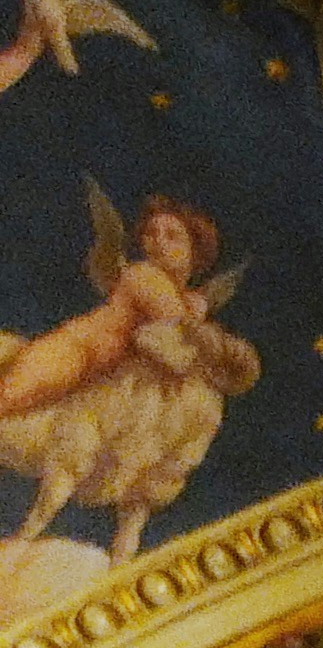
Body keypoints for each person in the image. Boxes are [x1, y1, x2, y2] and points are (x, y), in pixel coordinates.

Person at [0, 194, 255, 571]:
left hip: (105, 370)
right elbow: (178, 327)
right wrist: (209, 332)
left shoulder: (183, 297)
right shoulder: (145, 277)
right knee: (8, 400)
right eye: (151, 234)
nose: (157, 243)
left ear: (195, 252)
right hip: (76, 351)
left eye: (172, 236)